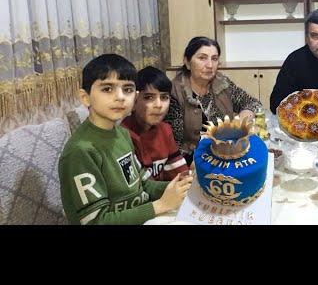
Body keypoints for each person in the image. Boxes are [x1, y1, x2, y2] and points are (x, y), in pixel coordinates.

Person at [58, 54, 193, 225]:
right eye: (107, 89)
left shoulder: (122, 134)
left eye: (127, 89)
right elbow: (96, 221)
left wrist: (181, 186)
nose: (120, 97)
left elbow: (143, 184)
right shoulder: (80, 151)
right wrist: (160, 205)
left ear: (135, 96)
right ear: (85, 97)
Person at [165, 36, 261, 165]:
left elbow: (253, 102)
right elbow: (172, 146)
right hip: (190, 161)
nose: (210, 65)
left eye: (214, 59)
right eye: (202, 58)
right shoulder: (173, 93)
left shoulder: (221, 83)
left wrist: (244, 115)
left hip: (224, 150)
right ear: (187, 62)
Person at [121, 66, 189, 181]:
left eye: (164, 97)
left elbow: (179, 175)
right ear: (133, 101)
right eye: (149, 97)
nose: (158, 105)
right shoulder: (123, 134)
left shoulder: (165, 130)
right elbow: (138, 187)